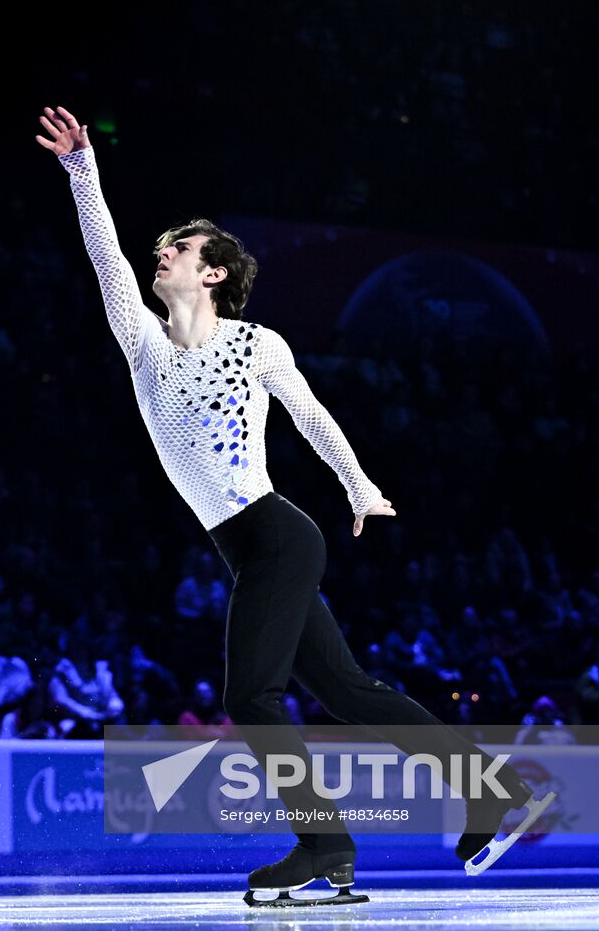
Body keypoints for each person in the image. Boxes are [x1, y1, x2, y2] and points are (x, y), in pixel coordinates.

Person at [36, 105, 554, 905]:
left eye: (179, 245)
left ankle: (322, 839)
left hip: (278, 533)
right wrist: (82, 170)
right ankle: (482, 796)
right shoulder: (141, 342)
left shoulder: (256, 343)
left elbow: (311, 414)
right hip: (246, 547)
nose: (160, 252)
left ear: (213, 272)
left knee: (251, 694)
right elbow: (105, 256)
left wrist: (359, 485)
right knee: (348, 690)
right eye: (162, 245)